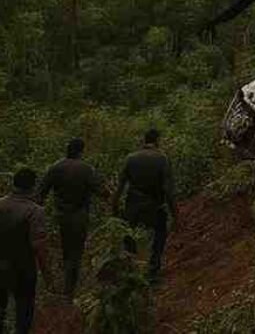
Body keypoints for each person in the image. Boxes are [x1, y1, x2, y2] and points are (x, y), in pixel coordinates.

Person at [39, 138, 102, 300]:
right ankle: (70, 291)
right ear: (81, 151)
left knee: (67, 249)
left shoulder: (55, 168)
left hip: (61, 216)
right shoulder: (86, 169)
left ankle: (65, 286)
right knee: (76, 252)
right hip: (80, 216)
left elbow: (41, 194)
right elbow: (101, 191)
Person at [112, 129, 178, 283]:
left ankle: (131, 267)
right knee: (160, 234)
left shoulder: (131, 158)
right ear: (157, 141)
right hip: (154, 205)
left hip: (133, 204)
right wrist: (175, 214)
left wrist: (114, 207)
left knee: (129, 235)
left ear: (144, 141)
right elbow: (168, 190)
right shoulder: (162, 159)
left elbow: (120, 186)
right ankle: (153, 269)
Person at [0, 167, 53, 334]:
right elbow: (39, 246)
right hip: (23, 268)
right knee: (24, 313)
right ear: (33, 187)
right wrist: (47, 275)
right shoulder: (35, 211)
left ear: (13, 184)